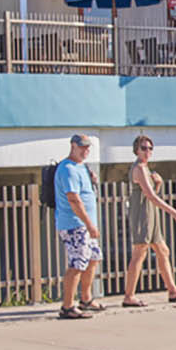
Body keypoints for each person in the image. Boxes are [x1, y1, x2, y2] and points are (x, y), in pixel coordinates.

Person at [122, 134, 176, 307]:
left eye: (150, 148)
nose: (147, 151)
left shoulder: (146, 169)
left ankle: (172, 290)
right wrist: (174, 212)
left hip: (150, 212)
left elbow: (152, 193)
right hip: (142, 214)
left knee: (163, 250)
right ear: (136, 150)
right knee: (140, 252)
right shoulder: (138, 168)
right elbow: (150, 196)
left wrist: (159, 184)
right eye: (144, 148)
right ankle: (129, 296)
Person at [56, 133, 105, 319]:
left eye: (88, 147)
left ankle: (86, 298)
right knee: (77, 264)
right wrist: (89, 224)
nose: (86, 151)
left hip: (84, 225)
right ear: (73, 146)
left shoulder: (81, 167)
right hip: (74, 225)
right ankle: (67, 306)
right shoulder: (67, 169)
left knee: (93, 258)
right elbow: (74, 199)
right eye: (82, 147)